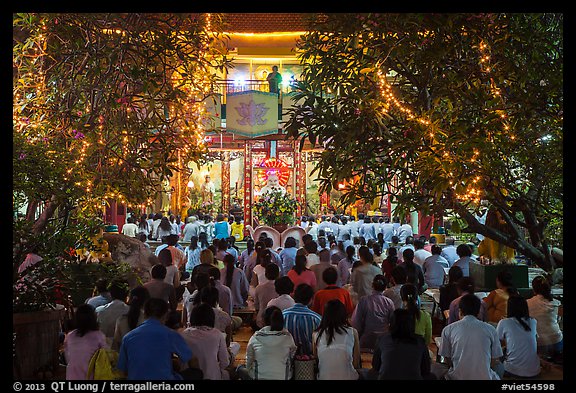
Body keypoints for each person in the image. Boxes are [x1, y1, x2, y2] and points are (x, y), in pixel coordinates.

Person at [118, 298, 202, 380]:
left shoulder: (128, 337)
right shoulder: (169, 334)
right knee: (196, 373)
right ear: (166, 315)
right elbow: (193, 359)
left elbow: (122, 370)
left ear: (144, 314)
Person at [433, 293, 504, 380]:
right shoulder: (490, 329)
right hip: (485, 377)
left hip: (457, 377)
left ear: (460, 311)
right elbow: (495, 359)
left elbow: (447, 359)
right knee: (500, 367)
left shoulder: (448, 329)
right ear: (478, 312)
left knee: (435, 368)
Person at [365, 309, 434, 380]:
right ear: (412, 324)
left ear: (391, 323)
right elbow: (426, 369)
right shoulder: (420, 341)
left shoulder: (383, 339)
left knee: (370, 373)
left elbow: (376, 366)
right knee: (432, 376)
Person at [237, 306, 297, 380]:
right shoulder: (288, 337)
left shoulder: (255, 337)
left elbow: (249, 363)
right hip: (284, 377)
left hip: (258, 377)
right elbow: (292, 357)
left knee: (239, 368)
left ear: (263, 321)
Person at [312, 299, 362, 380]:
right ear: (343, 315)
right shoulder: (352, 332)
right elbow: (356, 364)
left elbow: (316, 361)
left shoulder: (316, 334)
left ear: (325, 315)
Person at [496, 295, 541, 378]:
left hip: (514, 371)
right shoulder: (533, 321)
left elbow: (495, 344)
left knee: (494, 361)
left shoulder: (504, 322)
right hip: (535, 371)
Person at [63, 304, 108, 380]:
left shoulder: (70, 336)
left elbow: (68, 358)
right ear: (94, 318)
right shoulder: (99, 336)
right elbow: (106, 358)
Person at [352, 274, 395, 352]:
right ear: (385, 287)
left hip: (366, 340)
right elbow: (392, 322)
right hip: (383, 341)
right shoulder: (389, 302)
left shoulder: (364, 300)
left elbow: (356, 322)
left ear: (372, 285)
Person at [526, 276, 563, 358]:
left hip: (539, 343)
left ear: (534, 289)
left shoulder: (527, 303)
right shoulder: (556, 303)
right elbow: (559, 321)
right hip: (557, 340)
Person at [282, 283, 322, 355]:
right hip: (310, 362)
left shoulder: (283, 315)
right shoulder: (316, 319)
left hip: (286, 360)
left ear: (294, 297)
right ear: (311, 299)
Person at [112, 286, 150, 351]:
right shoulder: (150, 321)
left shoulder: (121, 320)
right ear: (146, 301)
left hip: (126, 358)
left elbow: (116, 345)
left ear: (129, 299)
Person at [254, 263, 281, 329]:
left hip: (261, 322)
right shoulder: (281, 287)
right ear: (278, 275)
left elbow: (256, 306)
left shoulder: (259, 288)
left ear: (265, 274)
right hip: (278, 322)